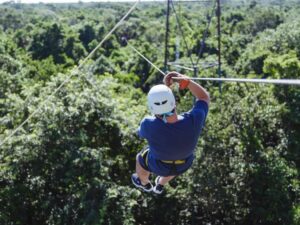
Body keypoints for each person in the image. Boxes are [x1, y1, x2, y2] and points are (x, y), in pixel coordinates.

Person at [131, 71, 210, 194]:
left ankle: (144, 183)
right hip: (184, 164)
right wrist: (186, 82)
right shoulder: (194, 120)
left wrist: (166, 89)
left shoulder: (148, 124)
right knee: (177, 155)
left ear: (152, 108)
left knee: (141, 157)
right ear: (174, 102)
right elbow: (204, 97)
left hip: (158, 165)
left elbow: (141, 133)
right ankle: (160, 184)